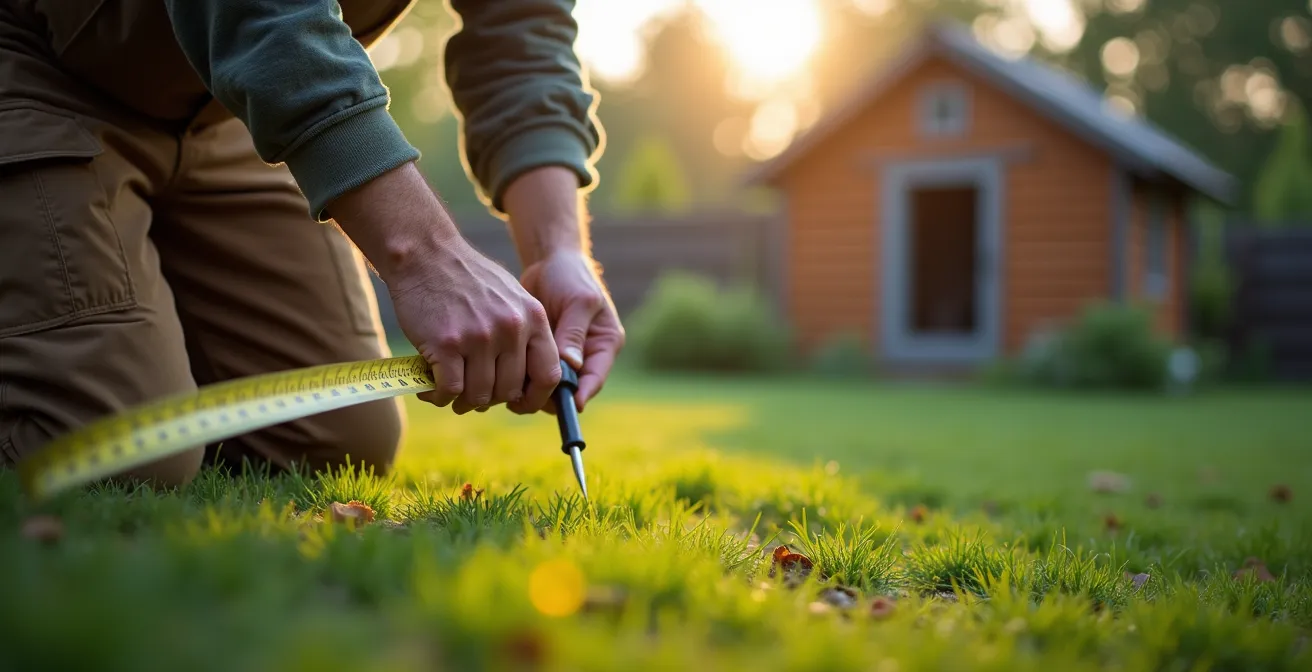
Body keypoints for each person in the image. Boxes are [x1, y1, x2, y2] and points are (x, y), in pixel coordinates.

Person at [0, 0, 624, 486]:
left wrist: (557, 250)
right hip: (36, 63)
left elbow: (522, 32)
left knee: (335, 442)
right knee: (110, 454)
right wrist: (427, 256)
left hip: (224, 103)